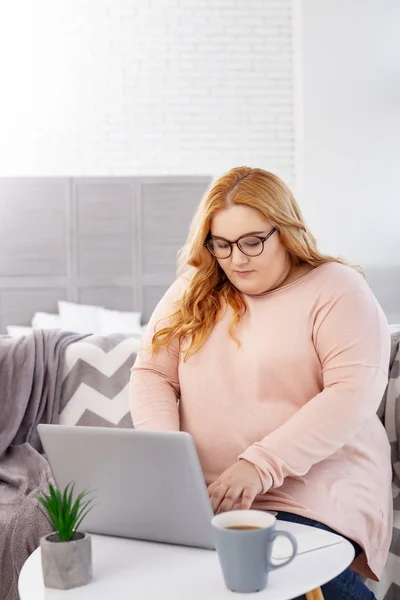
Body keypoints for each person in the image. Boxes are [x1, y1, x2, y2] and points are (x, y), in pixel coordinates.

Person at [130, 166, 392, 600]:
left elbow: (353, 392)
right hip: (206, 492)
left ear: (286, 230)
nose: (237, 258)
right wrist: (167, 461)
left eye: (253, 241)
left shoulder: (337, 289)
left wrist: (259, 465)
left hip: (309, 491)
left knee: (272, 576)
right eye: (222, 244)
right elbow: (153, 374)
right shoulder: (192, 290)